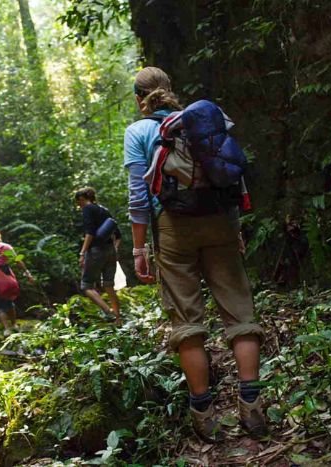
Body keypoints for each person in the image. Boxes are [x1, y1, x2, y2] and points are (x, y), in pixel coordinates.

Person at [124, 66, 266, 442]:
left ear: (139, 99)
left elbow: (140, 195)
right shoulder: (201, 121)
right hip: (219, 219)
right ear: (170, 89)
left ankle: (204, 414)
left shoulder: (138, 131)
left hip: (172, 228)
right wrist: (234, 229)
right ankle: (252, 408)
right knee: (240, 311)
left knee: (187, 321)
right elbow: (230, 175)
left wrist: (139, 247)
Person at [75, 187, 122, 324]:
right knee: (109, 285)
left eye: (79, 203)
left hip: (96, 250)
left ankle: (109, 313)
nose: (79, 206)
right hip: (110, 250)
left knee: (86, 286)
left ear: (82, 199)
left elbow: (90, 233)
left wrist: (82, 253)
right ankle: (118, 320)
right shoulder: (104, 210)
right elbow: (118, 235)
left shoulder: (88, 209)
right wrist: (114, 250)